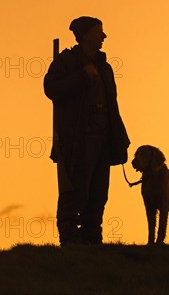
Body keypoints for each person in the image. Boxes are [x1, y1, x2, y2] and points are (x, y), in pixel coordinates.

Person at [43, 16, 129, 246]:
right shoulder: (66, 62)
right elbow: (51, 88)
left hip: (103, 136)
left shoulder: (105, 67)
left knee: (99, 192)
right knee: (75, 190)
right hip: (78, 138)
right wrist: (83, 77)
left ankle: (92, 239)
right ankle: (70, 239)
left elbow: (113, 104)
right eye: (98, 31)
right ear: (85, 35)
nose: (104, 36)